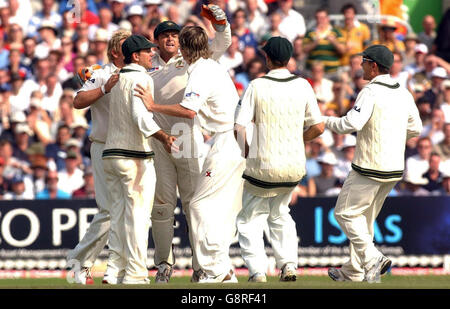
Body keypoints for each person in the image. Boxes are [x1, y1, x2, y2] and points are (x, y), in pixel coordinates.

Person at [135, 25, 244, 283]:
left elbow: (221, 42)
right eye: (165, 35)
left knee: (195, 203)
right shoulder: (146, 66)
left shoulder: (194, 63)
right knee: (162, 206)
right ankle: (164, 264)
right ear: (156, 42)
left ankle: (203, 266)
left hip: (191, 137)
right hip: (160, 139)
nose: (170, 38)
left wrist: (222, 25)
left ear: (182, 45)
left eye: (175, 35)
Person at [323, 45, 422, 283]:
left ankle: (372, 258)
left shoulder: (370, 91)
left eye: (363, 61)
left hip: (369, 167)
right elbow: (416, 128)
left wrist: (323, 120)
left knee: (344, 213)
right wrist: (393, 137)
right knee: (364, 219)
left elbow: (351, 123)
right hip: (393, 170)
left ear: (374, 66)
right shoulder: (403, 91)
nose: (360, 66)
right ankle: (357, 272)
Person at [234, 36, 324, 282]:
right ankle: (288, 265)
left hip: (262, 166)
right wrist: (297, 141)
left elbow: (239, 128)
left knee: (249, 219)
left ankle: (258, 271)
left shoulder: (256, 86)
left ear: (267, 58)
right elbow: (318, 127)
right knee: (280, 214)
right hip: (293, 167)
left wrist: (247, 152)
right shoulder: (303, 85)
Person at [102, 34, 176, 285]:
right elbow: (139, 116)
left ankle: (114, 271)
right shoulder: (141, 77)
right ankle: (135, 274)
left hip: (111, 155)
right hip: (135, 157)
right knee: (138, 217)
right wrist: (164, 136)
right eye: (147, 52)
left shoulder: (115, 78)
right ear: (135, 56)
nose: (152, 55)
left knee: (119, 216)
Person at [66, 29, 131, 285]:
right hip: (104, 147)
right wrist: (104, 87)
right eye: (128, 46)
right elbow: (78, 101)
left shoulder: (139, 72)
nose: (134, 50)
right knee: (108, 211)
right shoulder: (101, 73)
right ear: (115, 51)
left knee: (131, 210)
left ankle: (122, 267)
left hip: (133, 148)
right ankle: (79, 264)